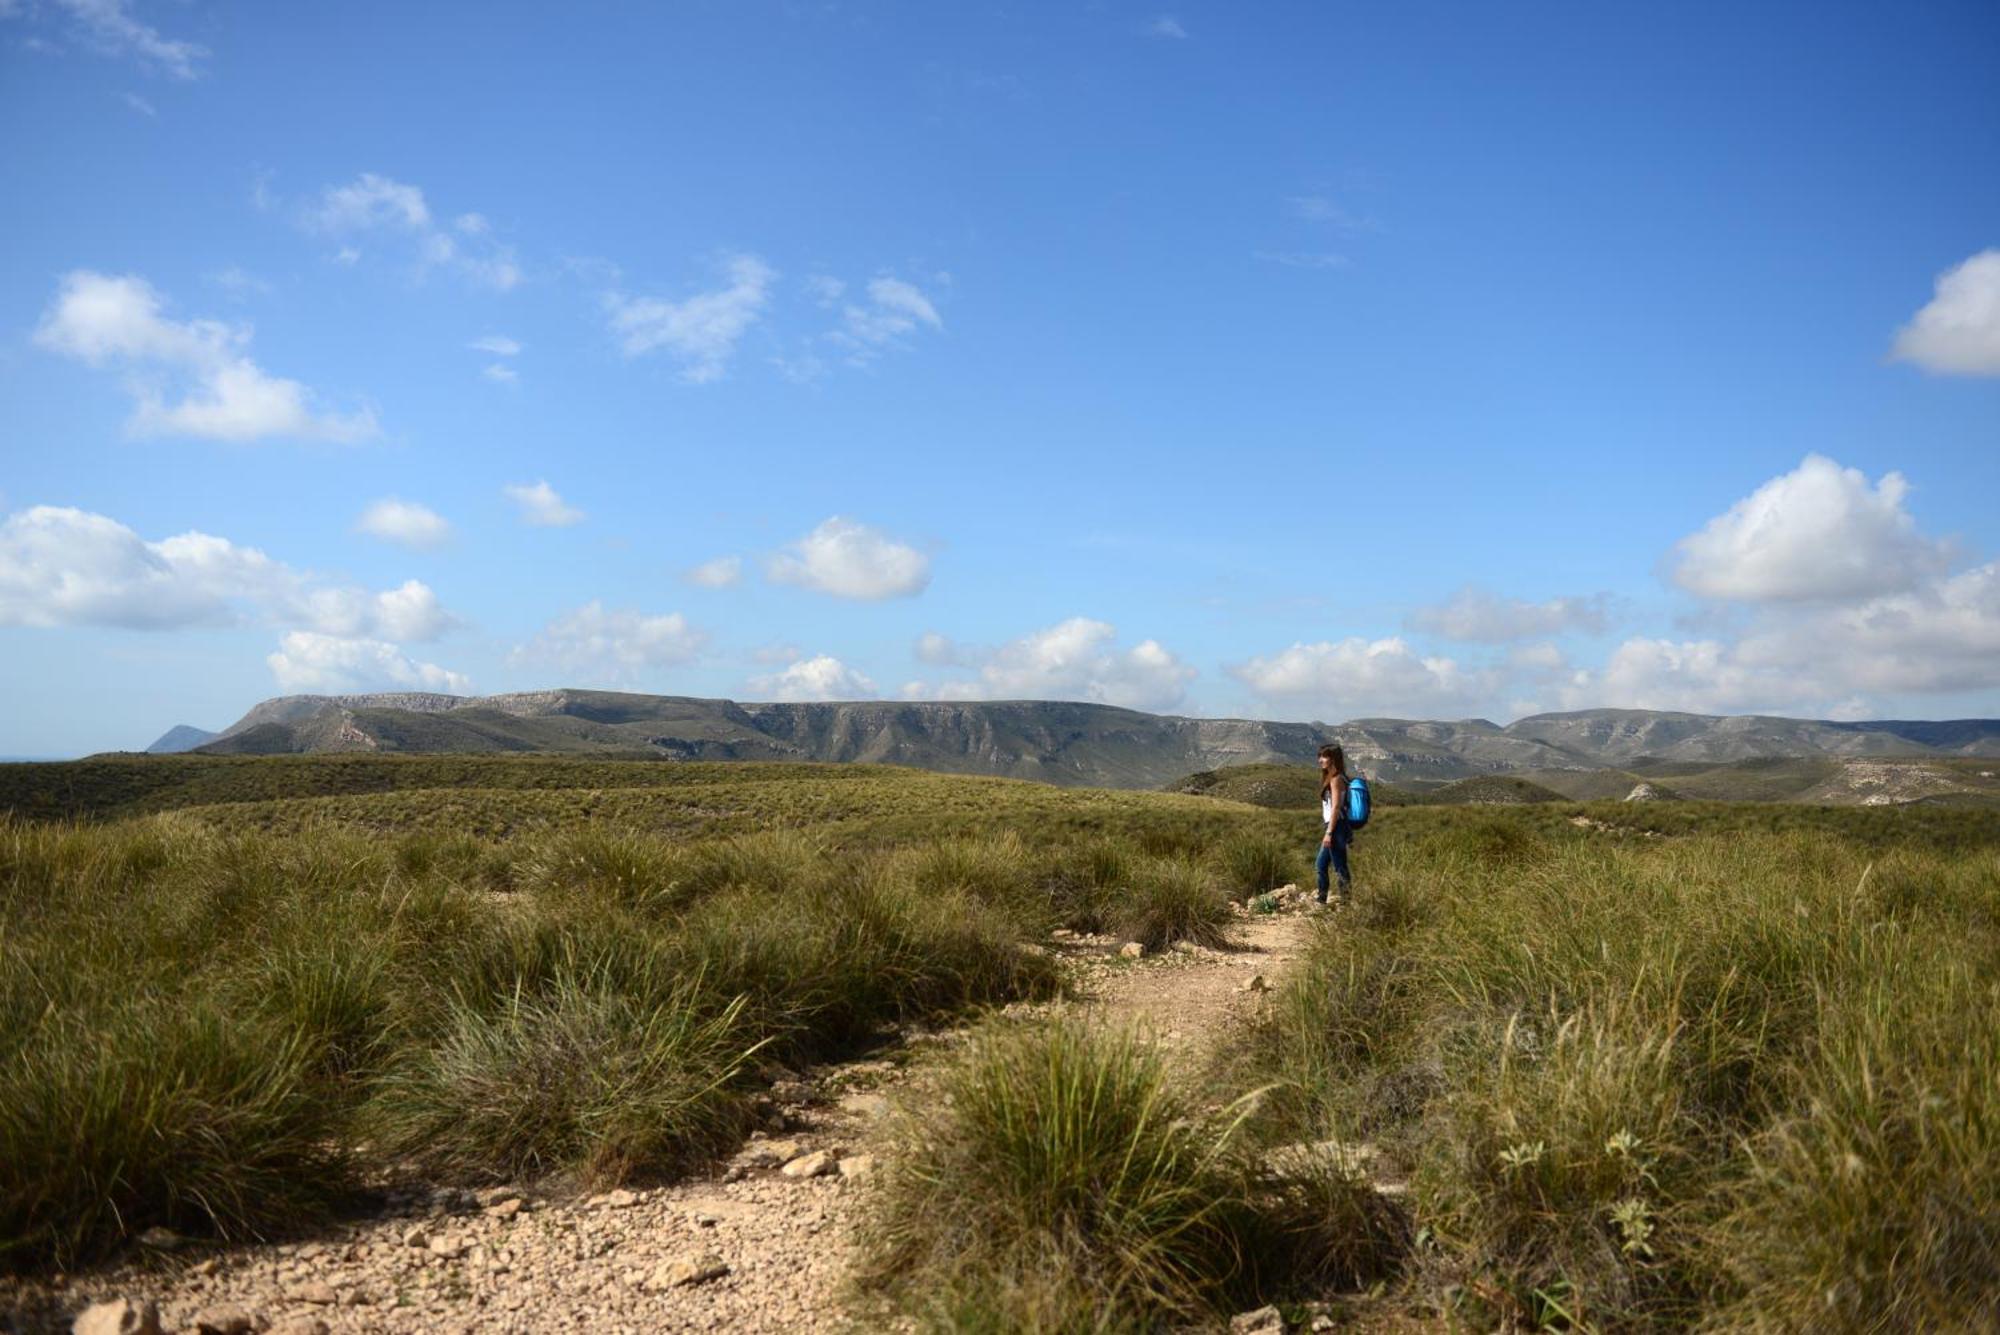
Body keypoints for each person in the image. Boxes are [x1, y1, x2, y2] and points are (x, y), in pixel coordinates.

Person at [1315, 743, 1353, 907]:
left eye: (1324, 756)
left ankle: (1345, 902)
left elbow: (1336, 807)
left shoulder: (1337, 779)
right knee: (1321, 865)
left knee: (1339, 866)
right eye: (1320, 756)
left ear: (1333, 759)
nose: (1320, 760)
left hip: (1335, 827)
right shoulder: (1338, 777)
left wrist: (1329, 833)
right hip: (1338, 826)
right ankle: (1322, 899)